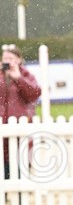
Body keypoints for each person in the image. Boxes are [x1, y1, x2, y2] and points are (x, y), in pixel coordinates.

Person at [1, 44, 41, 186]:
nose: (7, 61)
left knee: (20, 162)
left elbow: (34, 94)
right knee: (3, 163)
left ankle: (20, 201)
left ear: (18, 60)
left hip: (21, 127)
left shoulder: (26, 75)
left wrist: (18, 78)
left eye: (10, 58)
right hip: (3, 127)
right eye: (5, 58)